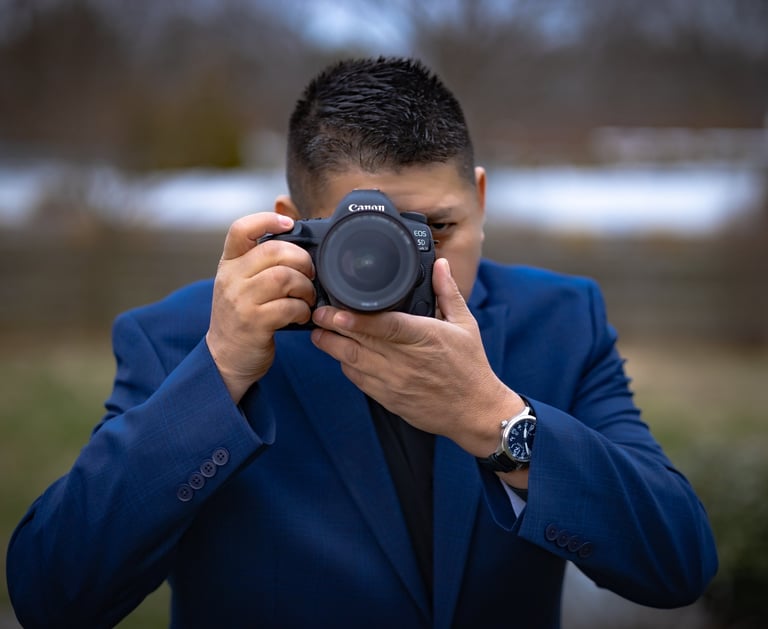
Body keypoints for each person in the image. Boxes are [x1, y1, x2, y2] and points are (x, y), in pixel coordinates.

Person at [6, 57, 717, 628]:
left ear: (481, 198)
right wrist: (218, 373)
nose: (411, 266)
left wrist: (497, 421)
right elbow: (53, 595)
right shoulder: (183, 338)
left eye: (436, 230)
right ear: (292, 222)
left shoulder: (561, 319)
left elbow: (677, 563)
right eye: (367, 239)